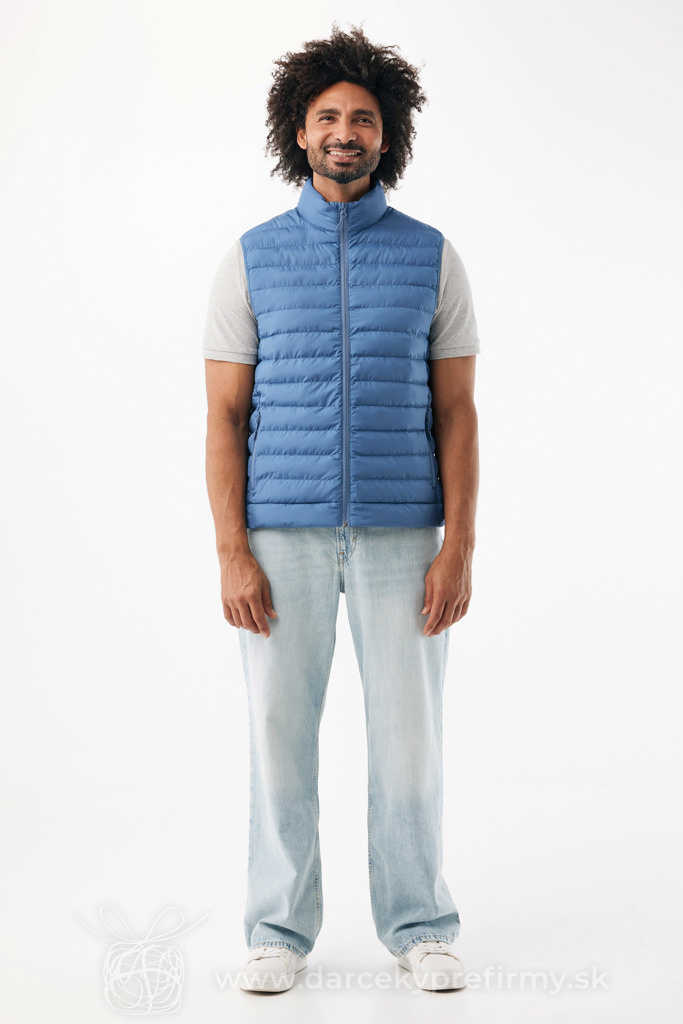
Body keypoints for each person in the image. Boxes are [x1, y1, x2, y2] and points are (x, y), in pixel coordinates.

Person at [203, 24, 481, 995]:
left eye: (362, 117)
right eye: (327, 116)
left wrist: (458, 546)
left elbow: (457, 411)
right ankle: (277, 928)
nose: (344, 132)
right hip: (279, 533)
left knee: (409, 740)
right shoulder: (249, 259)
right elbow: (223, 415)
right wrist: (232, 551)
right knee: (278, 736)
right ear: (298, 129)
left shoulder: (431, 257)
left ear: (386, 133)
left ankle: (420, 924)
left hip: (403, 534)